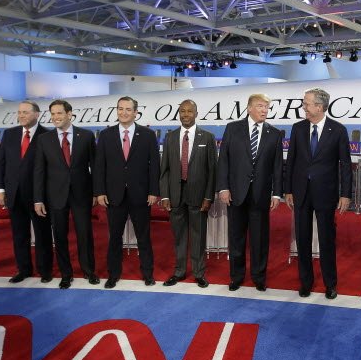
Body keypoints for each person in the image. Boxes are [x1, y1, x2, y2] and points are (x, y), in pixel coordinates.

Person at [285, 88, 352, 299]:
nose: (303, 106)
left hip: (326, 194)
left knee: (327, 241)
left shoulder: (338, 130)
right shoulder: (297, 128)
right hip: (301, 193)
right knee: (302, 240)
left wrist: (345, 194)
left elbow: (345, 165)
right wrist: (288, 190)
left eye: (307, 103)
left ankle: (330, 284)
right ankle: (306, 282)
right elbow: (291, 161)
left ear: (320, 107)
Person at [217, 93, 283, 292]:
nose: (264, 110)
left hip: (261, 195)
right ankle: (236, 277)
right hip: (235, 193)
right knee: (236, 237)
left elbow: (278, 167)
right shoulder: (232, 128)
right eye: (261, 106)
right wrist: (223, 187)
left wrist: (276, 193)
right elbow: (224, 161)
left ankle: (259, 277)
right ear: (249, 108)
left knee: (260, 239)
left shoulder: (274, 133)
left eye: (267, 107)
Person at [94, 97, 160, 288]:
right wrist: (100, 191)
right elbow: (100, 166)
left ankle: (148, 273)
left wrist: (153, 191)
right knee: (114, 237)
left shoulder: (147, 135)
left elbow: (154, 165)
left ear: (135, 112)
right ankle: (113, 274)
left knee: (144, 237)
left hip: (140, 194)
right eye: (120, 108)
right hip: (114, 195)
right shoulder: (106, 135)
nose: (123, 112)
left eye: (128, 109)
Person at [33, 99, 98, 289]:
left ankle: (89, 271)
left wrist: (96, 192)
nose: (55, 118)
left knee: (84, 234)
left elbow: (95, 166)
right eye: (52, 114)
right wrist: (38, 199)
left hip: (82, 193)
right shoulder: (44, 140)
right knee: (59, 235)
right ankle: (66, 274)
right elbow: (39, 171)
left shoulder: (85, 136)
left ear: (69, 114)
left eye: (59, 113)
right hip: (55, 195)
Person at [0, 101, 54, 284]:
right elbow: (0, 164)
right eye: (19, 112)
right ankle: (23, 269)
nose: (21, 116)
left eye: (25, 112)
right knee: (19, 235)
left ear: (37, 114)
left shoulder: (48, 136)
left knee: (43, 235)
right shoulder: (9, 134)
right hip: (14, 194)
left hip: (39, 196)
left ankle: (45, 270)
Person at [159, 100, 217, 288]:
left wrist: (209, 197)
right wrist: (165, 195)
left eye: (189, 111)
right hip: (175, 195)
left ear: (196, 113)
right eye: (182, 111)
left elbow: (212, 171)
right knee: (179, 236)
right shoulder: (170, 137)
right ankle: (179, 271)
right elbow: (165, 169)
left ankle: (199, 273)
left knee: (198, 236)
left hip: (199, 196)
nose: (185, 114)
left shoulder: (207, 137)